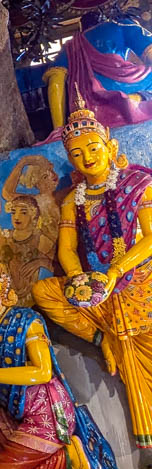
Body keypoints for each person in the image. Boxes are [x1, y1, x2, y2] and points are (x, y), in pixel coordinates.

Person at [0, 222, 114, 469]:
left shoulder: (26, 320)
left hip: (47, 411)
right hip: (16, 411)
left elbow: (41, 372)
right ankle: (22, 460)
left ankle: (70, 457)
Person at [33, 93, 152, 447]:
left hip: (139, 281)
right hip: (100, 289)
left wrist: (116, 271)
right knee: (44, 292)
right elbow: (67, 250)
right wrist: (78, 279)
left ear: (110, 146)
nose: (86, 159)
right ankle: (105, 341)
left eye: (93, 149)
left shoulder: (138, 185)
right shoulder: (73, 199)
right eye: (77, 154)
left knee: (137, 342)